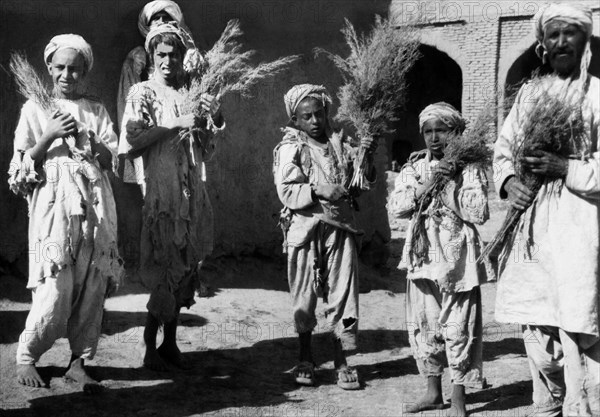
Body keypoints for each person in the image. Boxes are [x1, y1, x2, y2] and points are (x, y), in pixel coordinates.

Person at [494, 4, 599, 416]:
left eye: (568, 33)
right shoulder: (531, 94)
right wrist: (509, 182)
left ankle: (582, 408)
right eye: (552, 35)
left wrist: (565, 167)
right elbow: (504, 150)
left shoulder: (596, 95)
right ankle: (548, 403)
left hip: (581, 226)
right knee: (538, 328)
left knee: (580, 321)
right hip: (534, 227)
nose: (560, 43)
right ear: (542, 44)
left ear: (584, 40)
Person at [9, 34, 123, 393]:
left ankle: (79, 361)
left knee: (92, 284)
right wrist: (50, 135)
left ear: (85, 72)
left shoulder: (97, 110)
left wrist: (91, 142)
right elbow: (19, 171)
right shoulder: (35, 109)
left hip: (96, 212)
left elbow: (113, 160)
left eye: (75, 69)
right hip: (52, 214)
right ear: (49, 68)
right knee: (53, 286)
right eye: (60, 67)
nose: (67, 75)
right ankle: (27, 356)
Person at [119, 23, 223, 371]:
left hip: (190, 193)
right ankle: (150, 344)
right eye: (160, 54)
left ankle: (171, 343)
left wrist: (212, 117)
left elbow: (205, 149)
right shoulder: (142, 93)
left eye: (174, 54)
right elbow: (132, 143)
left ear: (182, 57)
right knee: (164, 266)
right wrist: (174, 124)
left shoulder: (189, 94)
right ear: (151, 56)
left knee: (185, 267)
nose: (167, 61)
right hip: (162, 197)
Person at [388, 102, 489, 416]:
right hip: (423, 257)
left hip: (458, 259)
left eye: (441, 130)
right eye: (428, 131)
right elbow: (398, 206)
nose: (434, 138)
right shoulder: (413, 168)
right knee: (426, 324)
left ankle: (458, 395)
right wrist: (429, 183)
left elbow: (478, 211)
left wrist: (448, 188)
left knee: (458, 326)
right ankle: (433, 392)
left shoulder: (469, 167)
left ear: (455, 132)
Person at [273, 84, 376, 390]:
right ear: (296, 119)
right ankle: (305, 357)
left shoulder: (340, 144)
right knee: (304, 295)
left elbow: (359, 186)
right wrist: (318, 189)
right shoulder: (289, 148)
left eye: (319, 113)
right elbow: (287, 190)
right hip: (304, 230)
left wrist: (365, 158)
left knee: (343, 293)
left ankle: (342, 361)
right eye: (307, 116)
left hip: (340, 229)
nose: (315, 120)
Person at [117, 0, 196, 188]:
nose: (161, 22)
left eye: (166, 18)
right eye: (156, 19)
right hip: (152, 135)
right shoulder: (139, 61)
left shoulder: (189, 57)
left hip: (182, 138)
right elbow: (130, 109)